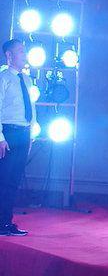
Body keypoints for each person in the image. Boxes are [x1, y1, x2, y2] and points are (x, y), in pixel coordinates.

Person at [0, 39, 37, 237]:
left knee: (14, 180)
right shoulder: (3, 78)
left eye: (25, 51)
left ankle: (6, 222)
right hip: (8, 133)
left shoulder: (27, 79)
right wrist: (0, 138)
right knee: (4, 179)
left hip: (24, 132)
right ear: (9, 55)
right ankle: (1, 222)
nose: (25, 54)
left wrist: (32, 134)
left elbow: (31, 109)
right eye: (21, 51)